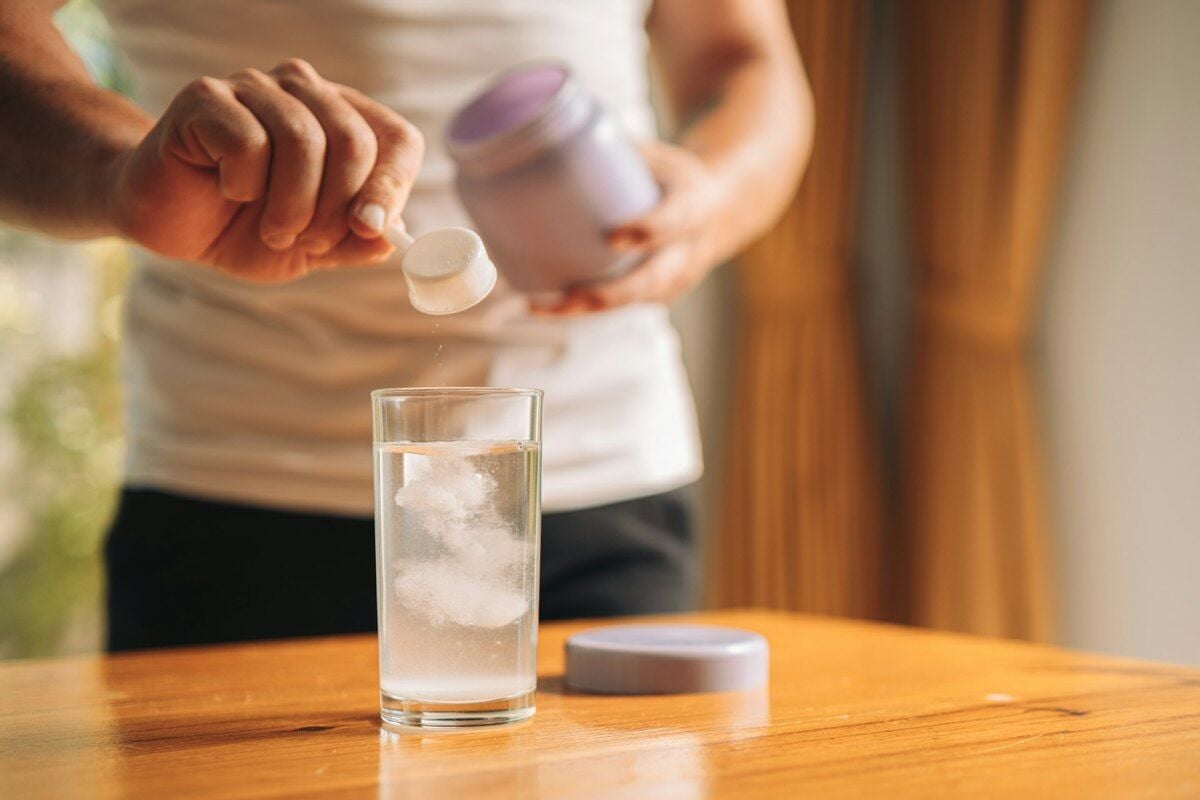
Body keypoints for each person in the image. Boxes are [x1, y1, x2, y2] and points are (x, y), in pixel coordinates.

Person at [0, 0, 812, 650]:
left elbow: (745, 56)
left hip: (600, 484)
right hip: (237, 490)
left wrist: (715, 188)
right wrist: (116, 173)